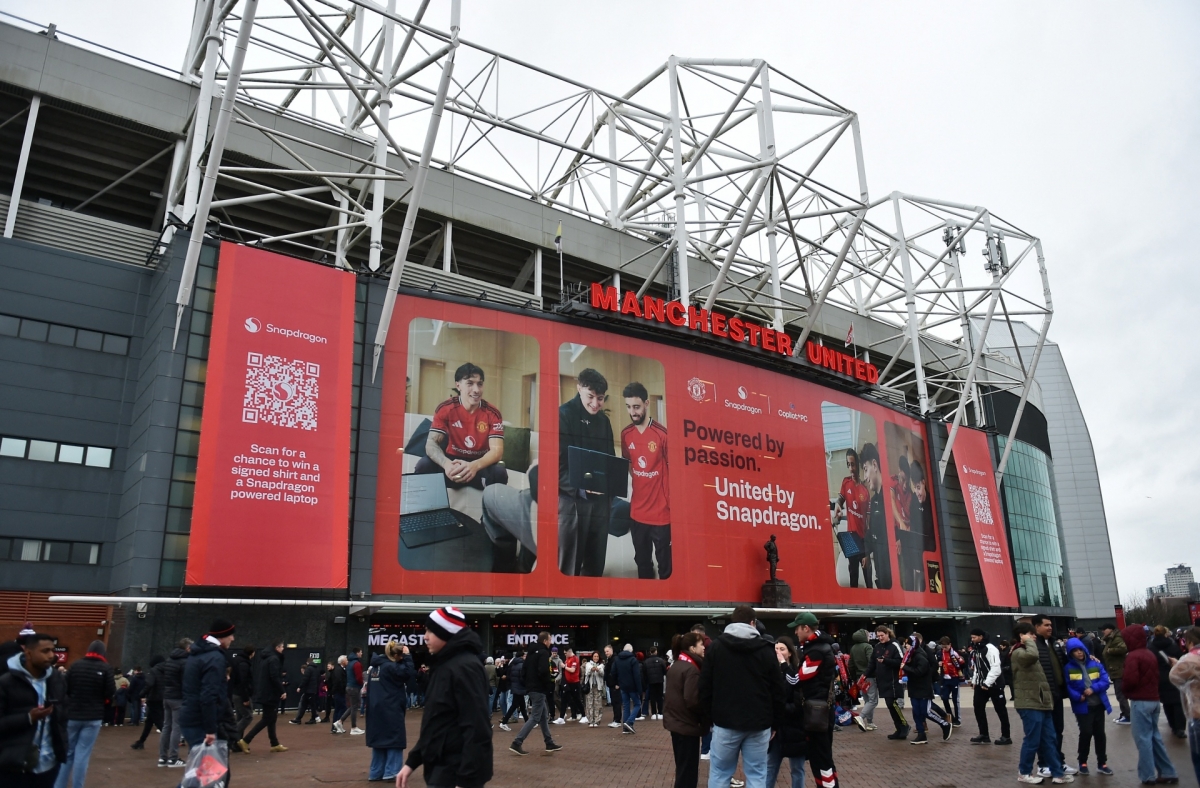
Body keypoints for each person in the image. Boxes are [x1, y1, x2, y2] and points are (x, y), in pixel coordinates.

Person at [397, 607, 493, 788]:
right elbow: (436, 722)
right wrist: (413, 761)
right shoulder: (444, 666)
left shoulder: (464, 668)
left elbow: (478, 728)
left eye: (430, 631)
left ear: (446, 633)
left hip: (454, 773)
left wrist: (466, 781)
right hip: (443, 769)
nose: (425, 636)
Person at [697, 605, 784, 788]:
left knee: (720, 772)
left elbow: (705, 687)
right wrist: (775, 722)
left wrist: (710, 717)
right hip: (759, 722)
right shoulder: (767, 650)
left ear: (732, 621)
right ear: (753, 623)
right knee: (757, 773)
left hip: (725, 721)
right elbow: (778, 690)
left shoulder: (716, 648)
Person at [558, 368, 615, 576]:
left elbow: (610, 460)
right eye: (590, 397)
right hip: (573, 497)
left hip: (601, 499)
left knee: (596, 563)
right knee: (570, 567)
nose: (595, 404)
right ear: (578, 388)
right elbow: (558, 468)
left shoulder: (604, 421)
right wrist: (583, 489)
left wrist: (609, 489)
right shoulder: (563, 415)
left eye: (600, 399)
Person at [415, 362, 507, 489]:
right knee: (423, 465)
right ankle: (428, 507)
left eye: (480, 384)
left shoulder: (492, 413)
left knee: (499, 473)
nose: (476, 390)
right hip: (452, 462)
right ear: (458, 385)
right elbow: (431, 444)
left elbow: (497, 451)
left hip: (479, 463)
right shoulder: (445, 408)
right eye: (470, 383)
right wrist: (447, 464)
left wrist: (473, 466)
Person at [1, 631, 67, 787]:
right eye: (45, 651)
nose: (51, 655)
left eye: (52, 650)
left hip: (49, 764)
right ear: (28, 653)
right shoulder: (6, 682)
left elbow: (64, 713)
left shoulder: (57, 679)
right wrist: (28, 718)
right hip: (14, 765)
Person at [621, 381, 672, 579]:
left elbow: (673, 471)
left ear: (646, 403)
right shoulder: (626, 435)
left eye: (636, 407)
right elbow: (628, 464)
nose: (632, 412)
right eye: (628, 407)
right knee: (643, 566)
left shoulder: (662, 435)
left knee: (666, 569)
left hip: (661, 515)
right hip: (637, 514)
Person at [1011, 622, 1070, 784]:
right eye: (1031, 634)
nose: (1034, 636)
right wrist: (1027, 641)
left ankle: (1058, 773)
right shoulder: (1018, 653)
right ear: (1022, 636)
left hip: (1041, 702)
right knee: (1032, 739)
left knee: (1050, 739)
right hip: (1029, 703)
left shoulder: (1030, 651)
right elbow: (1032, 656)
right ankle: (1024, 772)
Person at [1121, 623, 1178, 785]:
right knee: (1154, 737)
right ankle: (1168, 771)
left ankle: (1147, 775)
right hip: (1153, 699)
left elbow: (1130, 680)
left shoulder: (1133, 656)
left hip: (1140, 701)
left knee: (1143, 739)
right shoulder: (1149, 653)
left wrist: (1126, 691)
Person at [178, 618, 238, 771]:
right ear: (223, 635)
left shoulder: (197, 653)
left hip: (190, 716)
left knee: (203, 774)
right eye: (231, 634)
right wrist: (210, 729)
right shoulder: (215, 657)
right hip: (201, 722)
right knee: (209, 775)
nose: (233, 638)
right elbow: (209, 694)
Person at [54, 640, 114, 788]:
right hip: (93, 716)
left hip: (72, 715)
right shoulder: (106, 668)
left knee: (67, 753)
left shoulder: (75, 665)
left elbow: (65, 689)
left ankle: (59, 785)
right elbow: (110, 693)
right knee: (83, 755)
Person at [1063, 636, 1114, 776]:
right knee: (1086, 733)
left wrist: (1093, 688)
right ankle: (1083, 761)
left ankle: (1102, 763)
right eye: (1075, 651)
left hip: (1098, 705)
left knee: (1100, 735)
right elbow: (1068, 686)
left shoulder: (1096, 664)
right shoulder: (1068, 668)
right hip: (1082, 706)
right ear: (1070, 653)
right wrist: (1077, 696)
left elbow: (1105, 680)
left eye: (1080, 649)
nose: (1079, 652)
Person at [1030, 615, 1073, 777]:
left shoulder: (1054, 643)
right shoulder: (1033, 645)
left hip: (1057, 694)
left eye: (1051, 625)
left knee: (1058, 730)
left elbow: (1063, 663)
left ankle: (1058, 761)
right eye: (1046, 625)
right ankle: (1043, 764)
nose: (1050, 628)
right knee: (1045, 731)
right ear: (1037, 627)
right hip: (1043, 696)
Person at [664, 632, 709, 788]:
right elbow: (692, 700)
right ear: (692, 648)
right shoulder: (692, 669)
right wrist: (705, 715)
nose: (704, 647)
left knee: (682, 768)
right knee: (688, 771)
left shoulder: (677, 665)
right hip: (687, 725)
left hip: (676, 723)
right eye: (701, 644)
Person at [366, 640, 414, 782]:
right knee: (394, 740)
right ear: (397, 655)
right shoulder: (390, 667)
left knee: (379, 742)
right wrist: (408, 657)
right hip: (391, 707)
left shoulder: (375, 667)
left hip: (375, 708)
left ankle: (376, 772)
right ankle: (392, 772)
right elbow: (408, 673)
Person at [509, 631, 561, 755]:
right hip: (539, 689)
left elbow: (524, 671)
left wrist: (528, 684)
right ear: (545, 641)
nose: (551, 642)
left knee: (543, 716)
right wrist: (548, 683)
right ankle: (517, 742)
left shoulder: (530, 653)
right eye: (549, 640)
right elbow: (543, 671)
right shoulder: (543, 653)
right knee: (535, 717)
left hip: (532, 688)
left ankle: (549, 742)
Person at [766, 636, 806, 788]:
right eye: (775, 649)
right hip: (776, 729)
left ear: (790, 652)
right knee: (770, 766)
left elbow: (798, 702)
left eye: (782, 649)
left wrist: (780, 709)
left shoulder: (795, 673)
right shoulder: (770, 673)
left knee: (797, 768)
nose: (778, 652)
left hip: (795, 728)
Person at [899, 633, 951, 745]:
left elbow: (920, 672)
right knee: (916, 712)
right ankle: (921, 734)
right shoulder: (910, 656)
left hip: (923, 688)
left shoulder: (920, 656)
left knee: (926, 711)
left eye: (907, 644)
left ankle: (944, 724)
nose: (905, 646)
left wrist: (906, 668)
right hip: (914, 687)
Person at [240, 640, 287, 754]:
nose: (283, 649)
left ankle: (274, 743)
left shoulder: (265, 658)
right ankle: (246, 740)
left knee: (271, 718)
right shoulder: (274, 659)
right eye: (282, 647)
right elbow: (274, 677)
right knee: (267, 719)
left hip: (265, 693)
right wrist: (282, 690)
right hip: (270, 694)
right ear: (277, 647)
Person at [833, 448, 871, 588]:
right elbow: (840, 500)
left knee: (868, 578)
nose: (851, 469)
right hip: (851, 539)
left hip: (863, 539)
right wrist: (837, 506)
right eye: (848, 465)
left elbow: (869, 521)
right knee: (853, 577)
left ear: (858, 464)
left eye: (853, 464)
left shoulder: (865, 489)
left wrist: (868, 549)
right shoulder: (845, 483)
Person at [1167, 626, 1200, 786]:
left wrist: (1176, 664)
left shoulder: (1189, 659)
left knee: (1198, 757)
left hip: (1197, 713)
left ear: (1190, 642)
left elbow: (1175, 677)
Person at [967, 629, 1012, 745]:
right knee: (978, 707)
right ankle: (984, 734)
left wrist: (988, 683)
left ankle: (1006, 736)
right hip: (982, 684)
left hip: (995, 685)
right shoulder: (977, 649)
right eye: (971, 637)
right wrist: (975, 681)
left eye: (974, 637)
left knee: (1001, 710)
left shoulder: (990, 648)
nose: (972, 640)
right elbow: (977, 667)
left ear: (981, 636)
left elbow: (996, 667)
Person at [859, 443, 892, 589]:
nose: (865, 477)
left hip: (894, 579)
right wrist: (863, 551)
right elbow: (873, 533)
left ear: (875, 465)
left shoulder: (891, 496)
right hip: (881, 576)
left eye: (865, 470)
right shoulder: (874, 501)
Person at [155, 639, 190, 766]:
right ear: (187, 648)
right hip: (178, 697)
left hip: (167, 696)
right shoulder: (184, 662)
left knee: (166, 726)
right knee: (176, 727)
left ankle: (162, 757)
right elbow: (186, 682)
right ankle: (173, 758)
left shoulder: (169, 660)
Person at [1150, 625, 1186, 739]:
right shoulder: (1172, 644)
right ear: (1166, 633)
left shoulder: (1151, 647)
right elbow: (1181, 658)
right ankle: (1180, 728)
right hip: (1174, 675)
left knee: (1166, 703)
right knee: (1177, 702)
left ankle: (1172, 726)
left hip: (1160, 677)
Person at [873, 626, 909, 740]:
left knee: (892, 703)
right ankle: (898, 728)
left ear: (888, 634)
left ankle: (904, 725)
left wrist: (886, 661)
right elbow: (872, 662)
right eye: (878, 636)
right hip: (883, 680)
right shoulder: (877, 647)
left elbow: (901, 661)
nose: (880, 638)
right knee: (890, 705)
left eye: (882, 635)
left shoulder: (894, 645)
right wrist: (865, 675)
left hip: (893, 680)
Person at [130, 655, 165, 751]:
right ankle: (141, 741)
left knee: (159, 723)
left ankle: (170, 741)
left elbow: (149, 684)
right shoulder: (167, 670)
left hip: (153, 699)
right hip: (163, 698)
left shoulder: (153, 671)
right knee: (149, 722)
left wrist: (141, 694)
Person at [1100, 623, 1130, 724]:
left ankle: (1128, 715)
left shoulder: (1116, 638)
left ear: (1111, 630)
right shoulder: (1111, 638)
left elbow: (1123, 648)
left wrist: (1109, 650)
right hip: (1115, 670)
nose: (1103, 631)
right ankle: (1125, 713)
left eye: (1104, 629)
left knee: (1120, 694)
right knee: (1120, 694)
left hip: (1118, 671)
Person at [848, 629, 877, 730]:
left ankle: (870, 722)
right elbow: (871, 662)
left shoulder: (853, 648)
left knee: (867, 700)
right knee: (873, 700)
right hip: (869, 676)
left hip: (859, 677)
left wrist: (854, 677)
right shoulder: (868, 647)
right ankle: (862, 717)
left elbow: (850, 665)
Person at [613, 644, 643, 733]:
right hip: (632, 686)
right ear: (631, 650)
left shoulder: (617, 659)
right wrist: (639, 689)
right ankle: (629, 722)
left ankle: (625, 728)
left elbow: (613, 672)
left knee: (626, 706)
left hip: (623, 686)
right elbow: (637, 675)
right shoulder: (633, 660)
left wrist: (617, 682)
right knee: (637, 704)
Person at [936, 636, 965, 726]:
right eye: (942, 647)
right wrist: (939, 663)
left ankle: (958, 719)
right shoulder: (940, 653)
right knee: (944, 697)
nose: (944, 649)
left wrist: (956, 662)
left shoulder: (954, 653)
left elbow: (962, 664)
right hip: (945, 678)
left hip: (954, 678)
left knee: (955, 699)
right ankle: (950, 716)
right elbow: (937, 662)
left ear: (950, 645)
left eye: (946, 647)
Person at [230, 645, 255, 742]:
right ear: (252, 653)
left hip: (235, 692)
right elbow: (243, 682)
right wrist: (245, 698)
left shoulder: (237, 661)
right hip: (241, 694)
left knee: (240, 717)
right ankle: (232, 735)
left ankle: (236, 742)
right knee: (248, 716)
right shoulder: (244, 664)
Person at [338, 647, 365, 735]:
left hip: (349, 686)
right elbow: (359, 677)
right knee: (354, 707)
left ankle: (340, 721)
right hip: (354, 687)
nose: (362, 654)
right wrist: (361, 685)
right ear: (357, 653)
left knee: (352, 706)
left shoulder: (349, 663)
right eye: (361, 652)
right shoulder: (356, 663)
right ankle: (353, 727)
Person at [289, 657, 322, 725]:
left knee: (304, 705)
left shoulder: (308, 669)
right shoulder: (316, 669)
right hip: (314, 690)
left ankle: (299, 719)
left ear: (307, 662)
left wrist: (300, 687)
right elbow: (319, 679)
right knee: (311, 705)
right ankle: (312, 718)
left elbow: (305, 679)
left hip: (308, 690)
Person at [499, 649, 526, 731]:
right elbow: (522, 678)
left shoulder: (513, 664)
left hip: (515, 687)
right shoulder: (522, 665)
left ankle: (528, 721)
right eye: (524, 655)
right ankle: (504, 722)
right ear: (522, 656)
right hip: (519, 687)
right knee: (514, 705)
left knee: (522, 706)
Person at [559, 648, 583, 723]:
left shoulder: (575, 659)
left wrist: (564, 667)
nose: (565, 655)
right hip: (568, 682)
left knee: (576, 699)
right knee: (566, 699)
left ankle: (582, 714)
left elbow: (572, 670)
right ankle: (567, 716)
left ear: (569, 652)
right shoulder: (567, 659)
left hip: (574, 682)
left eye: (566, 653)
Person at [643, 647, 668, 720]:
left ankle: (654, 713)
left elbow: (644, 673)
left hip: (651, 682)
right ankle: (660, 712)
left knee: (652, 698)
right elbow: (664, 671)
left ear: (650, 652)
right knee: (660, 697)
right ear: (656, 652)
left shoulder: (646, 661)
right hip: (659, 681)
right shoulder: (661, 660)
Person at [583, 651, 605, 728]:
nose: (596, 658)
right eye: (594, 656)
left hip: (598, 687)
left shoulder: (601, 665)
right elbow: (587, 672)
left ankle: (596, 721)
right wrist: (592, 669)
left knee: (597, 704)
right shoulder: (588, 664)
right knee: (589, 704)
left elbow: (602, 673)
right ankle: (590, 721)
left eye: (597, 656)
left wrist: (598, 670)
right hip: (590, 687)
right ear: (592, 657)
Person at [603, 644, 622, 728]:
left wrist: (618, 683)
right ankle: (616, 719)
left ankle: (617, 720)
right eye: (605, 652)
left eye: (607, 651)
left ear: (611, 650)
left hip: (614, 685)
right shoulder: (610, 660)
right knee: (614, 703)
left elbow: (618, 672)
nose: (606, 653)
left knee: (616, 702)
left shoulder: (614, 660)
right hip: (611, 684)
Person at [328, 656, 348, 734]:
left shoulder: (338, 670)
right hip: (339, 693)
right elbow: (338, 682)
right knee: (342, 708)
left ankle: (335, 727)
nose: (347, 661)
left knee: (338, 709)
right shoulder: (339, 670)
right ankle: (337, 725)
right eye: (346, 660)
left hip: (337, 692)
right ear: (343, 661)